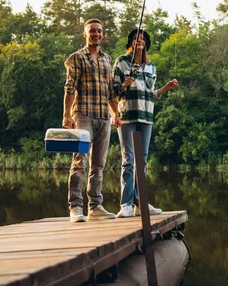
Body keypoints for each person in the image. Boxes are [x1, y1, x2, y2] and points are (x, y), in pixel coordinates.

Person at [113, 29, 178, 218]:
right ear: (130, 43)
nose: (139, 40)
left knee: (142, 161)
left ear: (146, 43)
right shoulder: (122, 62)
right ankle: (125, 204)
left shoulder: (151, 66)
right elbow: (114, 90)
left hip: (146, 117)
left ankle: (139, 203)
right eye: (135, 38)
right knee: (129, 160)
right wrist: (124, 85)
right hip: (127, 116)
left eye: (142, 38)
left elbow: (153, 94)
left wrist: (167, 87)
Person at [63, 18, 121, 223]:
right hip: (83, 115)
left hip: (104, 116)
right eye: (92, 31)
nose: (96, 34)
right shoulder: (76, 58)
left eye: (99, 31)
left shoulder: (107, 59)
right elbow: (70, 88)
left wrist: (115, 111)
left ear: (103, 35)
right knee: (80, 162)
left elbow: (111, 90)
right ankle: (75, 207)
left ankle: (95, 206)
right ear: (85, 34)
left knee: (99, 165)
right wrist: (66, 115)